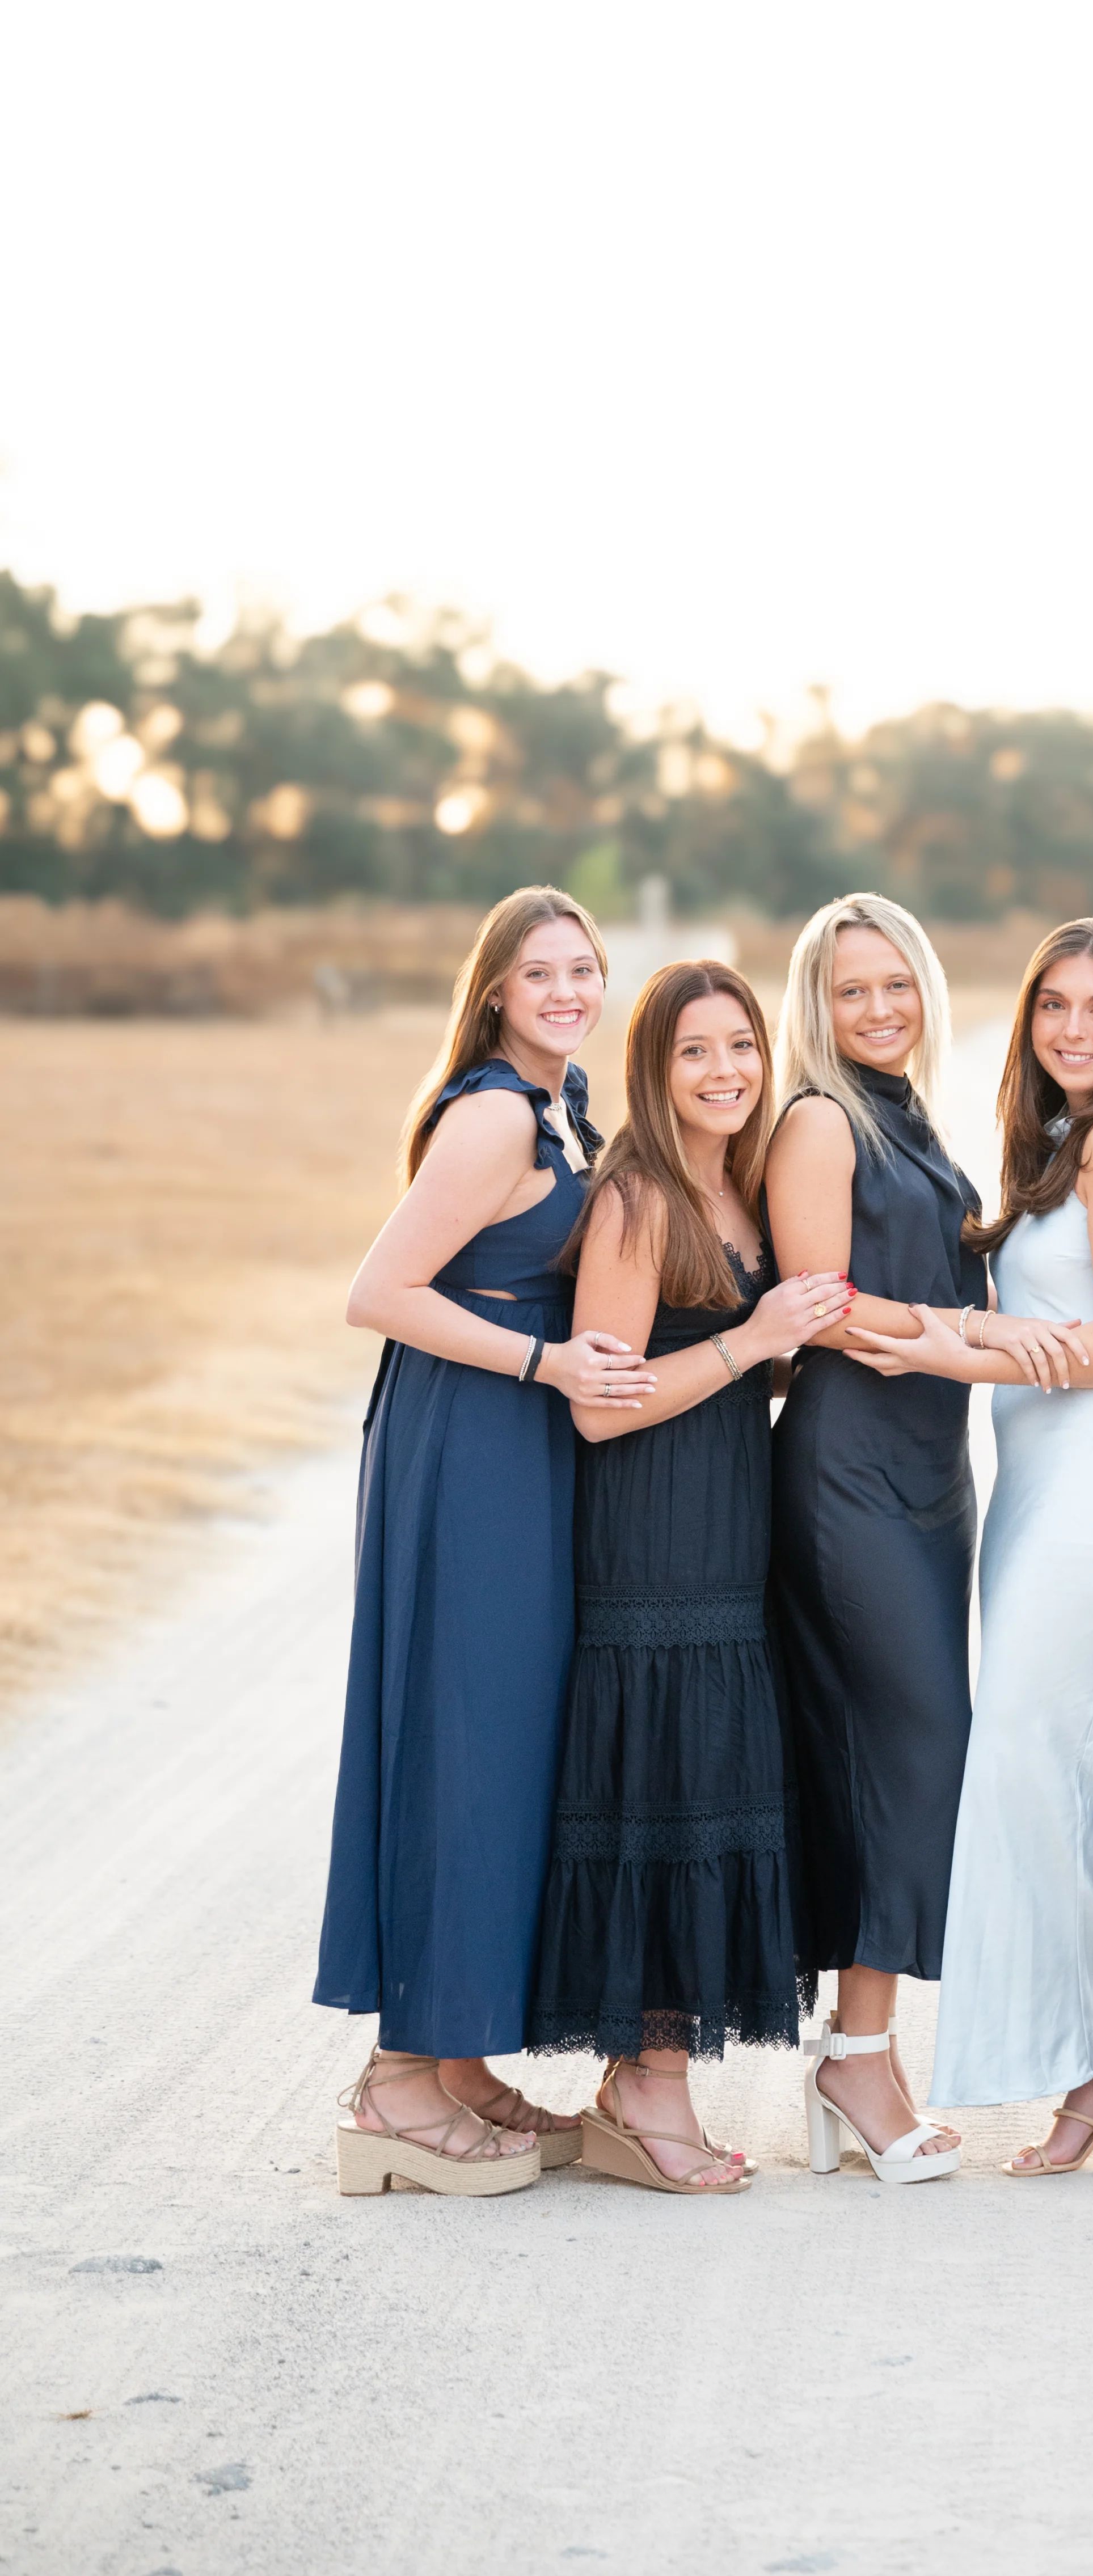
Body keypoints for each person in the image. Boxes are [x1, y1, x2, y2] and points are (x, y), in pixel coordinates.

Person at [853, 919, 1093, 2176]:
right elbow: (1024, 1326)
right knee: (1063, 1778)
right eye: (1054, 1006)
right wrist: (942, 1336)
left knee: (1059, 1766)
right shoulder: (1063, 1141)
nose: (1073, 1029)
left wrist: (936, 1339)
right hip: (1037, 1483)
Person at [317, 888, 655, 2197]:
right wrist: (543, 1357)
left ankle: (454, 2058)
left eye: (585, 967)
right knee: (460, 1734)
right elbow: (379, 1293)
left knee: (502, 1739)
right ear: (496, 990)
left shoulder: (564, 1104)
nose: (568, 990)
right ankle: (399, 2080)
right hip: (467, 1441)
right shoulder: (496, 1111)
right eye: (540, 972)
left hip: (512, 1443)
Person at [527, 962, 846, 2193]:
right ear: (653, 1075)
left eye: (742, 1048)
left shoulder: (742, 1187)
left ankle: (644, 2087)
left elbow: (729, 1362)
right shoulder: (637, 1199)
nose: (724, 1073)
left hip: (729, 1523)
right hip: (649, 1532)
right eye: (693, 1054)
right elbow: (602, 1409)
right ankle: (645, 2091)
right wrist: (753, 1342)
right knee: (660, 1785)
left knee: (709, 1777)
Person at [765, 893, 1020, 2186]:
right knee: (913, 1747)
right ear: (816, 1004)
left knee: (909, 1753)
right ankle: (854, 2055)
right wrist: (979, 1341)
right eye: (850, 990)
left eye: (895, 986)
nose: (876, 1009)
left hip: (931, 1467)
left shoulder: (913, 1119)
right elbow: (821, 1307)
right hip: (846, 1468)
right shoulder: (818, 1120)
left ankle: (849, 2045)